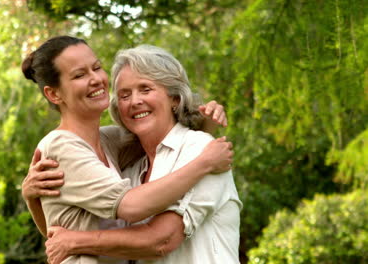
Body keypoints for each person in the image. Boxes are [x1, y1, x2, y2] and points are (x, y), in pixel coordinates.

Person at [21, 36, 234, 264]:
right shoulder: (64, 147)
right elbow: (130, 208)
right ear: (54, 94)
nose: (95, 79)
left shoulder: (111, 143)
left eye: (96, 68)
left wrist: (205, 125)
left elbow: (159, 132)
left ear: (173, 96)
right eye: (79, 75)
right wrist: (206, 162)